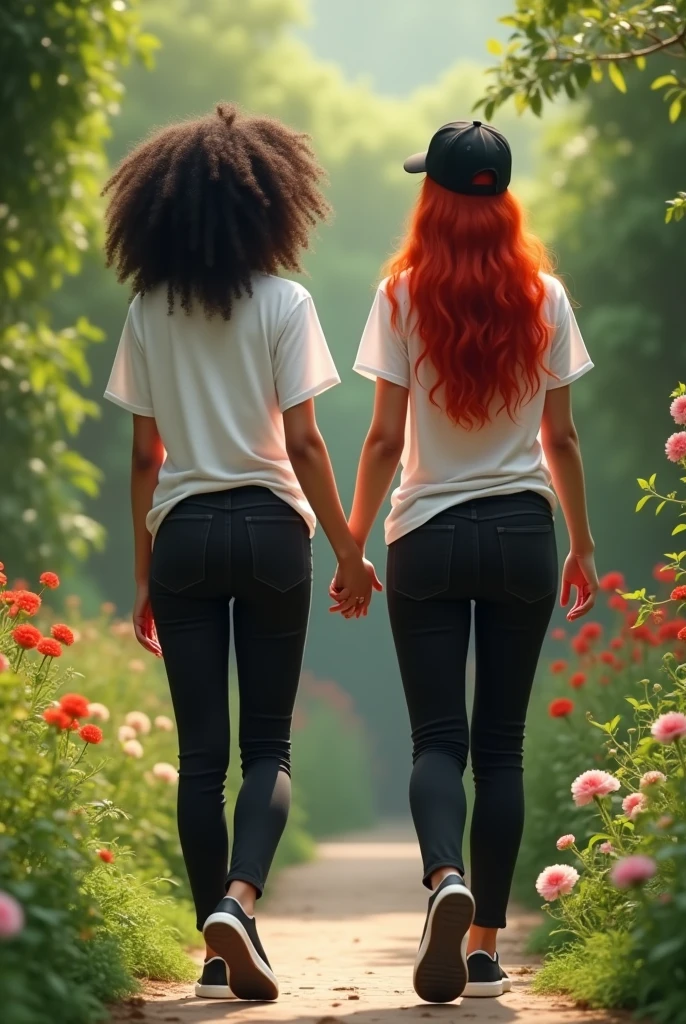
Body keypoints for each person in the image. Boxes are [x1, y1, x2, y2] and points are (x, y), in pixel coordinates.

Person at [102, 103, 379, 1003]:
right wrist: (347, 550)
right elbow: (303, 445)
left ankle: (217, 948)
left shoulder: (147, 307)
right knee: (269, 747)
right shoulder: (286, 302)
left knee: (201, 756)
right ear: (269, 205)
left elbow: (145, 455)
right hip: (268, 531)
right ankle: (238, 901)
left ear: (162, 211)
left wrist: (143, 574)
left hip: (180, 536)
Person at [332, 120, 598, 1002]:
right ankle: (482, 943)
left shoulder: (403, 294)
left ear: (435, 198)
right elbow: (560, 437)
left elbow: (382, 436)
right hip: (525, 533)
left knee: (438, 739)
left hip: (429, 537)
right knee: (504, 747)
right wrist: (584, 545)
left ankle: (445, 877)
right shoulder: (546, 297)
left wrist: (354, 543)